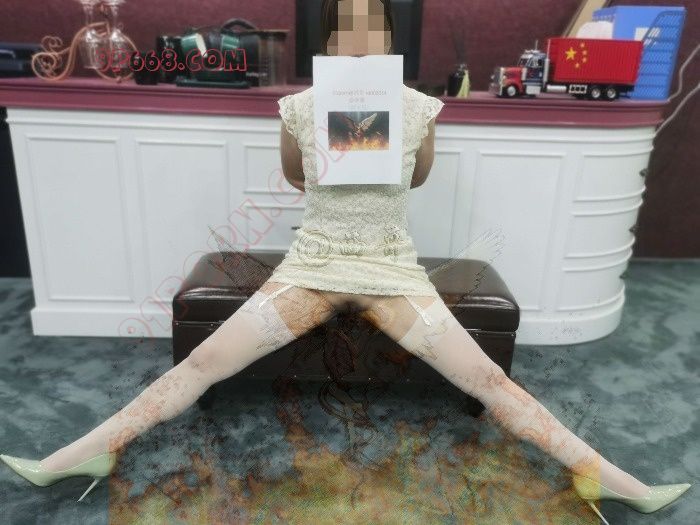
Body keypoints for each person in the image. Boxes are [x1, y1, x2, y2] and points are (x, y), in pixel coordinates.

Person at [1, 0, 691, 519]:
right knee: (203, 363)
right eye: (346, 31)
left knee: (488, 379)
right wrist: (328, 136)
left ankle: (603, 475)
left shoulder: (418, 107)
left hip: (391, 269)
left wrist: (390, 136)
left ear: (389, 40)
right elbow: (297, 177)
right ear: (330, 42)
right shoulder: (298, 106)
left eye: (372, 30)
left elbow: (417, 179)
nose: (360, 41)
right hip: (312, 266)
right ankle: (86, 452)